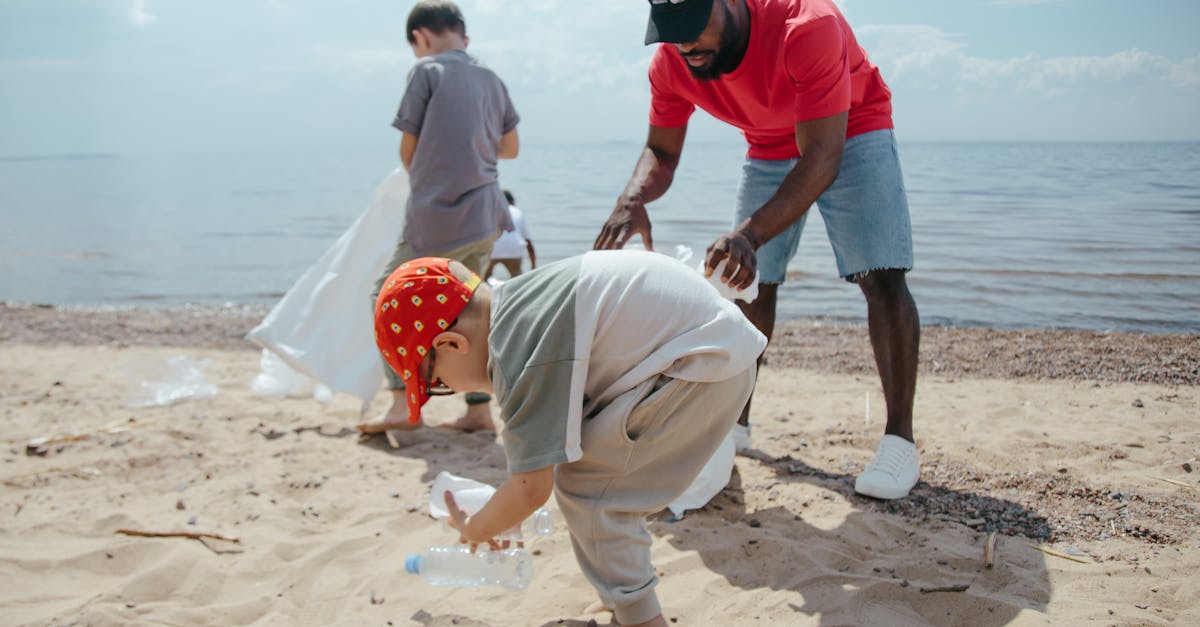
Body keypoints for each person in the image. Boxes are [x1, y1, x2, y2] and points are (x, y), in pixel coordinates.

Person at [594, 0, 921, 500]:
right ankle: (735, 424)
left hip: (850, 130)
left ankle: (900, 440)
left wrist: (749, 233)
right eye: (671, 33)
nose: (685, 46)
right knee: (745, 285)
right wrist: (630, 198)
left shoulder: (808, 28)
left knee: (880, 275)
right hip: (768, 145)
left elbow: (823, 156)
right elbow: (661, 151)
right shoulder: (673, 63)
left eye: (694, 29)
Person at [374, 251, 765, 627]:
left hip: (698, 366)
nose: (446, 388)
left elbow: (530, 489)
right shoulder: (523, 305)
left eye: (437, 384)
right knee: (594, 470)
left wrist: (478, 528)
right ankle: (620, 594)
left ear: (451, 344)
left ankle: (642, 617)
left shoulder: (516, 353)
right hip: (714, 347)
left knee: (592, 491)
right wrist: (506, 511)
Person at [359, 0, 520, 437]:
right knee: (475, 309)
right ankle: (480, 409)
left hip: (439, 215)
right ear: (460, 34)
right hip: (486, 213)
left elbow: (408, 152)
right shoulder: (491, 78)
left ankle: (400, 403)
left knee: (386, 297)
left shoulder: (426, 72)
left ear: (421, 37)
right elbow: (510, 148)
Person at [485, 189, 537, 280]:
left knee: (483, 278)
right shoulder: (518, 211)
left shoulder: (490, 210)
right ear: (513, 201)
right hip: (514, 249)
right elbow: (528, 241)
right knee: (517, 280)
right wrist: (533, 265)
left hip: (493, 249)